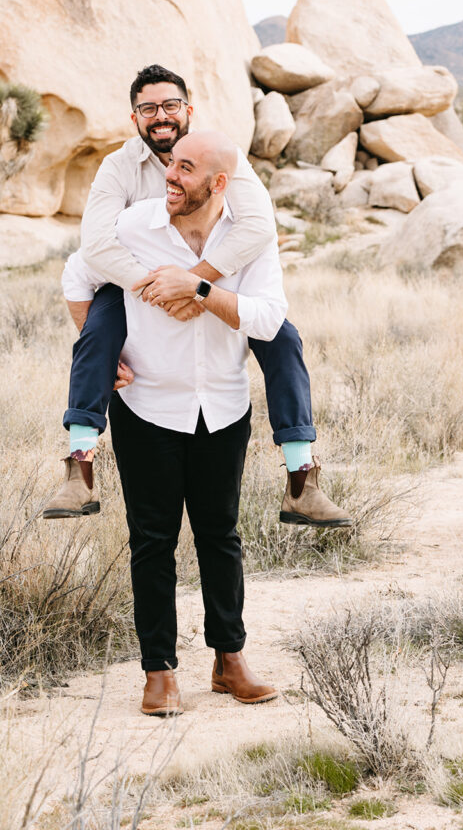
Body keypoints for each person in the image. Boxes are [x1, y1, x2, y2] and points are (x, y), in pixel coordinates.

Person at [43, 64, 350, 528]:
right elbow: (96, 247)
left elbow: (259, 226)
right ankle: (79, 468)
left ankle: (302, 479)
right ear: (135, 118)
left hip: (211, 274)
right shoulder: (119, 167)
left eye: (170, 105)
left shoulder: (220, 156)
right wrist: (158, 289)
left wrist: (194, 283)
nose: (160, 116)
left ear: (189, 111)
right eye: (148, 108)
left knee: (282, 337)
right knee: (97, 333)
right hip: (129, 279)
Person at [62, 130, 287, 715]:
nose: (170, 174)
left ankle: (229, 660)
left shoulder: (248, 238)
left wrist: (200, 288)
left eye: (185, 168)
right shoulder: (135, 227)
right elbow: (77, 272)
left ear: (218, 183)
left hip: (223, 406)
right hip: (147, 410)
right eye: (170, 164)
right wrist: (101, 346)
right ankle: (158, 671)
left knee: (221, 537)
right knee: (153, 542)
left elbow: (267, 319)